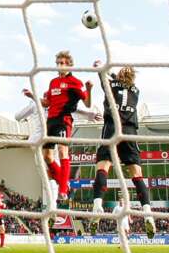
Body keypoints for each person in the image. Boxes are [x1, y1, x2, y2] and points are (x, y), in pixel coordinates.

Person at [23, 51, 89, 235]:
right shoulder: (53, 82)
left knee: (63, 152)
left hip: (64, 120)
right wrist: (32, 96)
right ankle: (64, 184)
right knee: (47, 157)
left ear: (69, 65)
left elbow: (87, 102)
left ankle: (63, 190)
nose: (60, 65)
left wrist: (89, 89)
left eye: (63, 62)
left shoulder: (75, 81)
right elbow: (46, 103)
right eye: (58, 62)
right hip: (50, 121)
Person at [93, 66, 155, 235]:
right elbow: (123, 83)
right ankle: (148, 213)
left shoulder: (111, 85)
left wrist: (101, 69)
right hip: (129, 132)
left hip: (112, 128)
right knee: (137, 175)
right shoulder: (136, 91)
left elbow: (103, 76)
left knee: (103, 167)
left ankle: (97, 206)